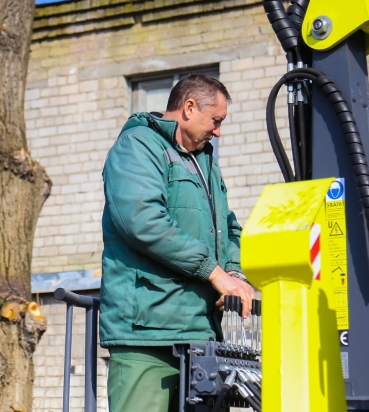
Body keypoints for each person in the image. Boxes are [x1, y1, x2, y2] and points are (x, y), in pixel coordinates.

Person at [99, 74, 255, 412]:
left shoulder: (204, 161)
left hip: (200, 336)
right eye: (216, 120)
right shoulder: (139, 145)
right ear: (188, 108)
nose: (218, 131)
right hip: (147, 335)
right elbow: (141, 221)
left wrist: (234, 273)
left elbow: (227, 228)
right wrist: (214, 273)